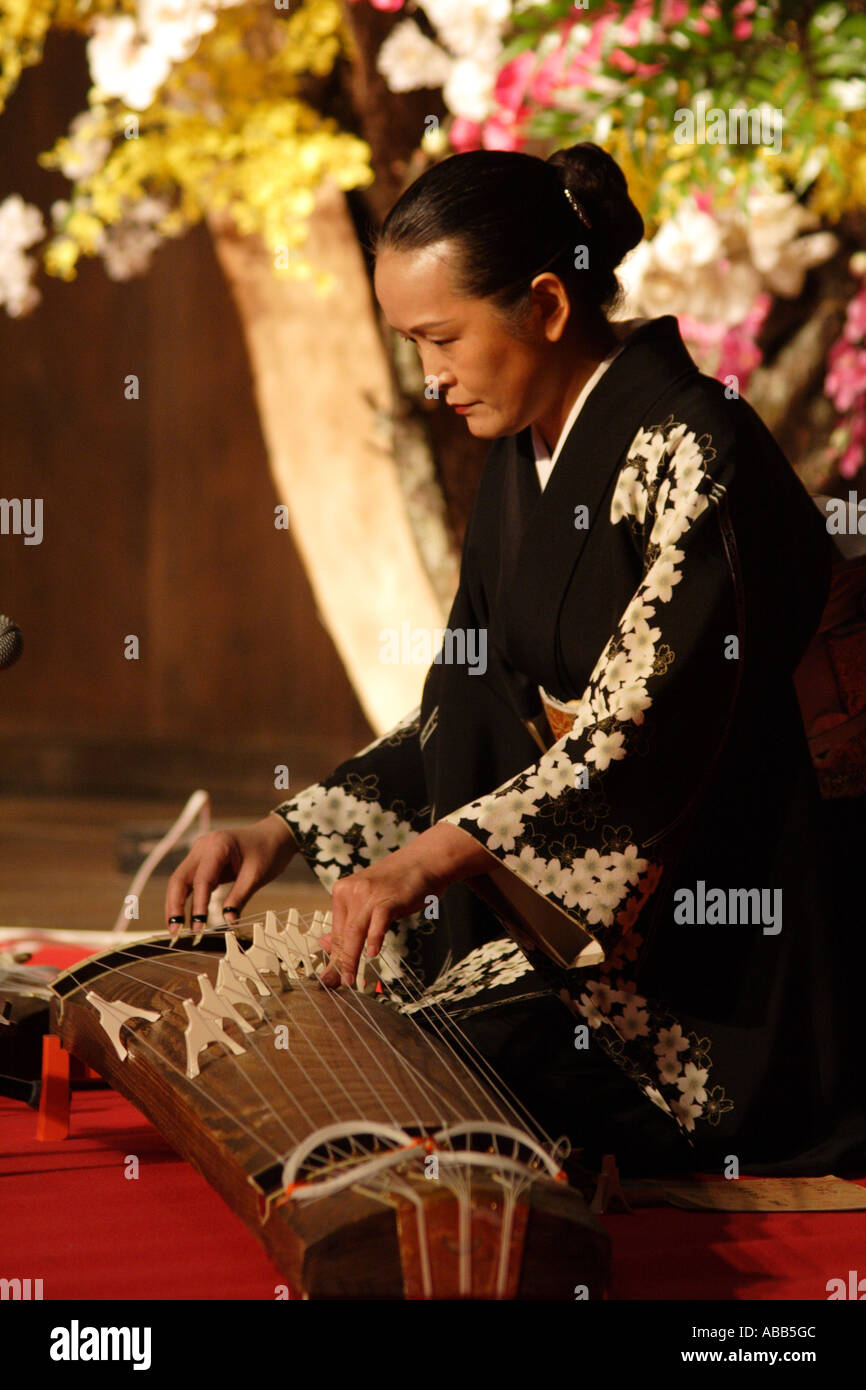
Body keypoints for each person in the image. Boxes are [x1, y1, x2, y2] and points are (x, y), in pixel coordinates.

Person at [166, 144, 866, 1178]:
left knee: (435, 1063)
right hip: (578, 924)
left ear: (544, 303)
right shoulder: (518, 462)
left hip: (713, 956)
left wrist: (430, 858)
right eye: (408, 344)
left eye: (440, 338)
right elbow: (462, 710)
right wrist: (282, 831)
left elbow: (636, 734)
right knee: (371, 1023)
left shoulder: (699, 449)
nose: (427, 379)